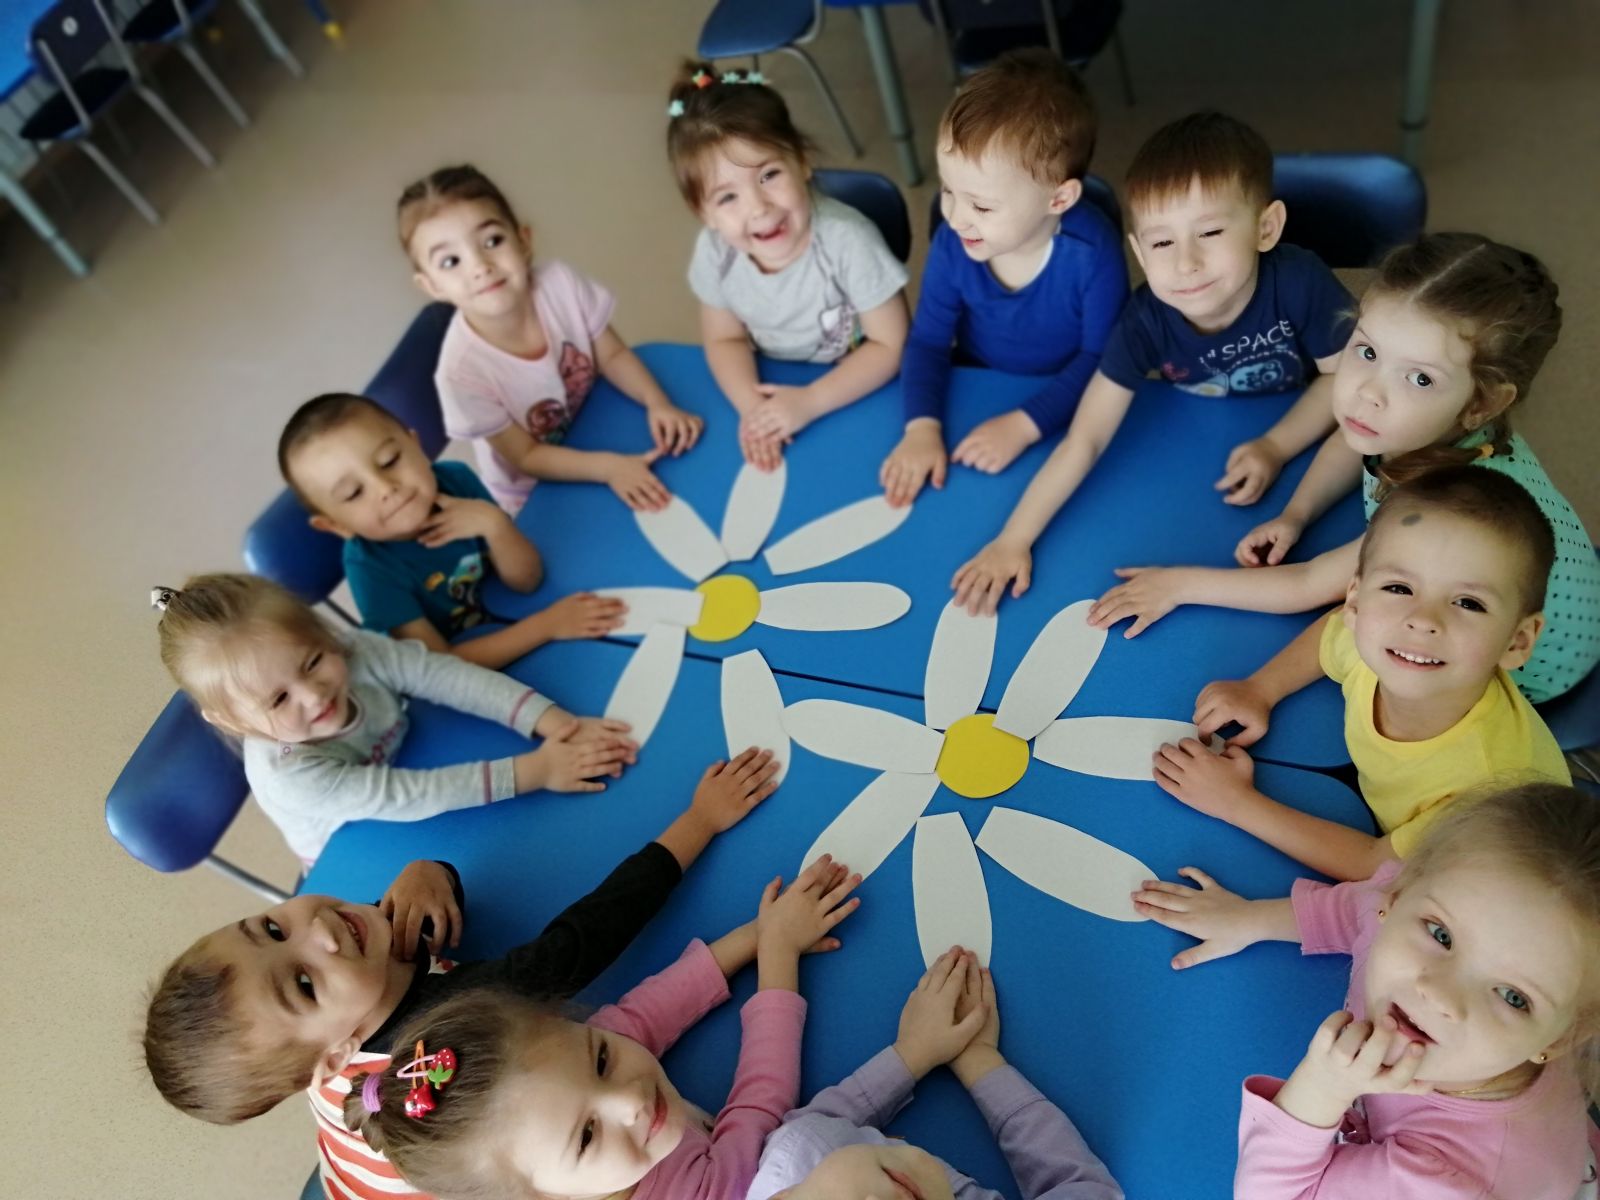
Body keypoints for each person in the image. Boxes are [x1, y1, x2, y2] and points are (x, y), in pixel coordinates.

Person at [142, 748, 782, 1199]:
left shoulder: (342, 989)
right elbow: (591, 933)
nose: (321, 932)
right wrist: (701, 820)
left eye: (271, 928)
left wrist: (429, 873)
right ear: (334, 1058)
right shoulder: (467, 1023)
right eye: (303, 984)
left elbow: (405, 914)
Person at [1088, 233, 1600, 704]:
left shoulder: (1442, 519)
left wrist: (1177, 585)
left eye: (1420, 378)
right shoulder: (1416, 425)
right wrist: (1296, 515)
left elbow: (1310, 584)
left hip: (1512, 667)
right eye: (1368, 350)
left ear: (1482, 403)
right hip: (1539, 599)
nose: (1367, 392)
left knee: (1366, 612)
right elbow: (1351, 441)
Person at [950, 111, 1352, 614]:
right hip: (1191, 448)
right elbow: (1086, 438)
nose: (1186, 263)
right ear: (1140, 253)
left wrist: (1276, 446)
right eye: (1162, 242)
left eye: (1210, 232)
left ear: (1265, 228)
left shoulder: (1299, 281)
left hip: (1306, 442)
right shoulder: (1143, 321)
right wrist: (1014, 539)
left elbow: (1346, 382)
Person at [1132, 781, 1600, 1198]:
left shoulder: (1445, 1183)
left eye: (1513, 997)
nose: (1439, 994)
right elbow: (1360, 908)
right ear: (1396, 899)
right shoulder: (1411, 913)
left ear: (1560, 1039)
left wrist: (1323, 1087)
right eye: (1441, 935)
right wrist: (1250, 920)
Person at [345, 856, 862, 1200]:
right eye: (587, 1136)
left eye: (600, 1059)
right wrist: (778, 951)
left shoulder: (558, 1078)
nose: (630, 1100)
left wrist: (759, 931)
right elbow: (759, 1113)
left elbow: (647, 1012)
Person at [1154, 468, 1568, 881]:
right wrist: (1261, 689)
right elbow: (1333, 633)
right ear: (1356, 600)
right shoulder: (1375, 639)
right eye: (1399, 588)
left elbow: (1374, 865)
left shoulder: (1490, 789)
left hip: (1500, 881)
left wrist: (1235, 802)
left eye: (1468, 603)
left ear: (1517, 642)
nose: (1422, 620)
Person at [152, 573, 635, 862]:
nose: (313, 695)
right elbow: (408, 796)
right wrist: (539, 770)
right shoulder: (288, 775)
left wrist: (551, 721)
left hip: (409, 757)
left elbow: (443, 676)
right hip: (354, 844)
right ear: (233, 722)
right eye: (278, 700)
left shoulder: (350, 648)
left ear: (322, 632)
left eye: (313, 661)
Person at [881, 49, 1128, 509]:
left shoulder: (1093, 255)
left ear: (1059, 199)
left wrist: (1026, 424)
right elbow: (929, 341)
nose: (956, 217)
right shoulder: (954, 243)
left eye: (981, 205)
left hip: (1064, 396)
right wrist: (921, 427)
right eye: (948, 190)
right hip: (977, 380)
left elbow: (1103, 359)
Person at [401, 164, 702, 514]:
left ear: (524, 240)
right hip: (534, 491)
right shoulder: (460, 376)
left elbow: (613, 356)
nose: (480, 266)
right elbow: (527, 457)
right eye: (451, 261)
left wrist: (657, 402)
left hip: (598, 426)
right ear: (431, 286)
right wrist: (610, 469)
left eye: (492, 241)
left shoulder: (561, 284)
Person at [668, 63, 909, 471]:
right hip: (776, 381)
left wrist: (810, 401)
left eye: (769, 175)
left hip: (856, 385)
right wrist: (754, 411)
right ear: (702, 213)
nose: (759, 207)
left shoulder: (848, 240)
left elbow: (891, 345)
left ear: (801, 161)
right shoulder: (715, 252)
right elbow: (724, 339)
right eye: (727, 198)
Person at [279, 391, 627, 667]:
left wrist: (495, 525)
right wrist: (545, 627)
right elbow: (443, 667)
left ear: (416, 446)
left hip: (512, 613)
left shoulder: (455, 479)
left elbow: (527, 580)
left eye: (390, 460)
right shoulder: (370, 569)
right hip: (475, 671)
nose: (386, 488)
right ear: (336, 525)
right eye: (353, 493)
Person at [748, 946, 1122, 1200]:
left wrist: (912, 1054)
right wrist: (982, 1064)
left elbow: (815, 1127)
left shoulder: (797, 1159)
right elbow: (1087, 1190)